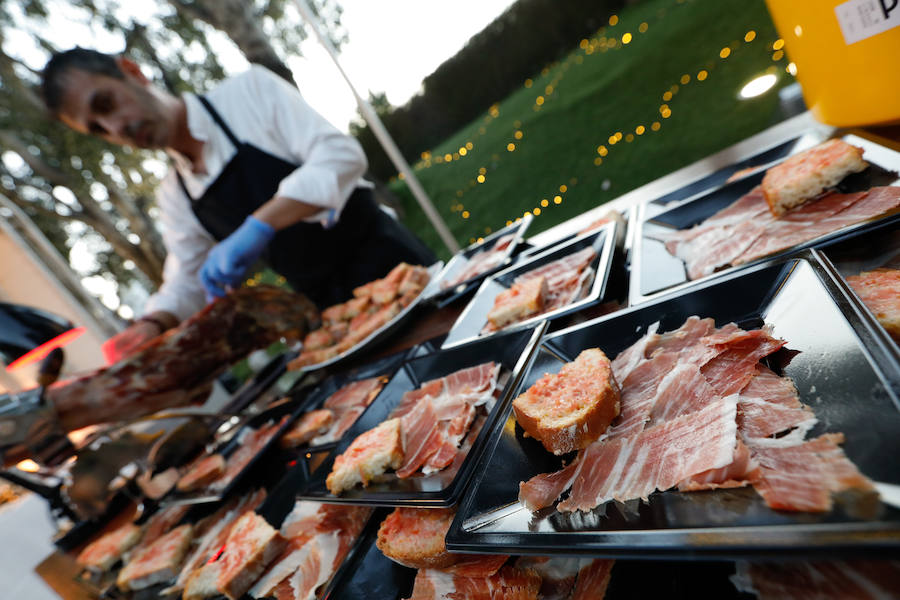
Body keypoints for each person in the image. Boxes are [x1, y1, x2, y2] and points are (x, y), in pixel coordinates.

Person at [40, 48, 436, 364]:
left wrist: (259, 224)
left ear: (132, 71)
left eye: (106, 105)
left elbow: (340, 155)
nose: (115, 129)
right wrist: (151, 323)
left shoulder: (248, 94)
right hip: (332, 316)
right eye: (97, 130)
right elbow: (186, 275)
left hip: (395, 267)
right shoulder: (175, 195)